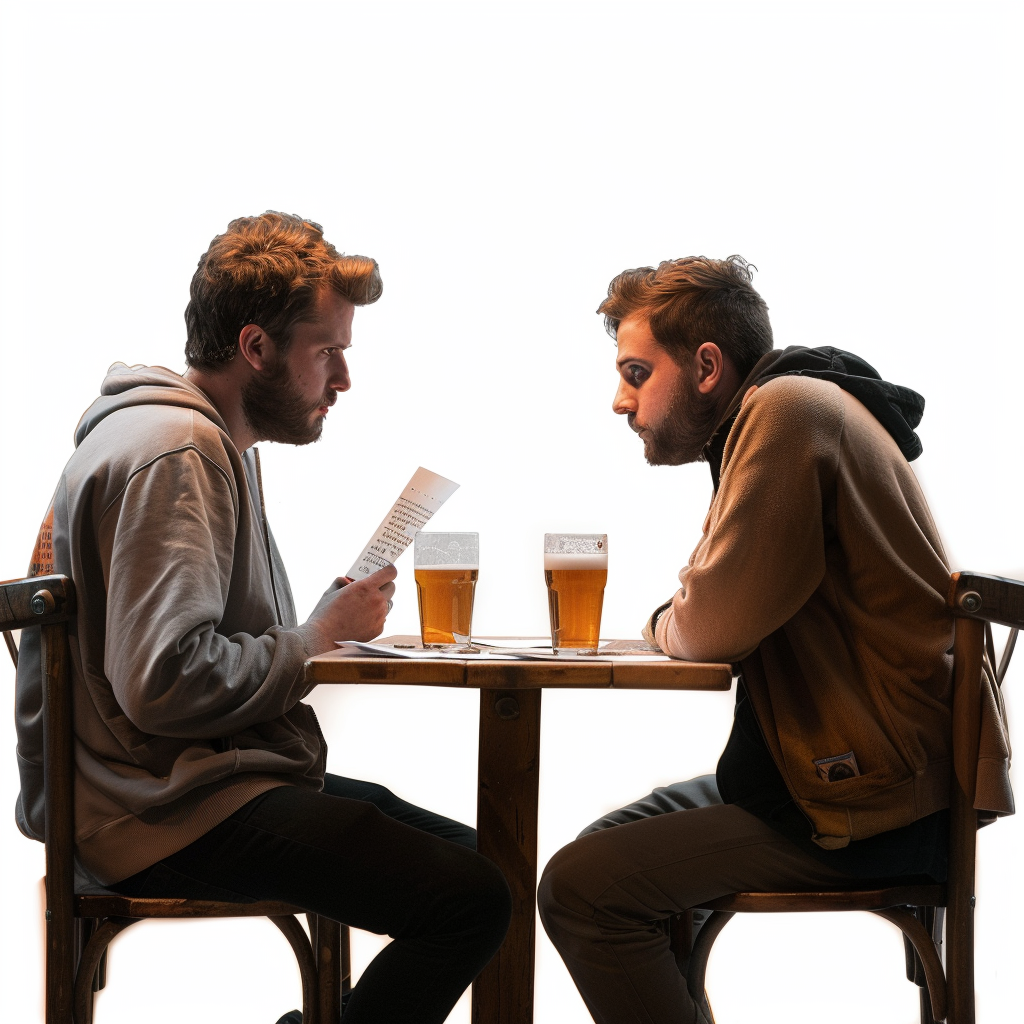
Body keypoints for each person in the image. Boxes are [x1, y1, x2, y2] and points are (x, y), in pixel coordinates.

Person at [14, 212, 511, 1024]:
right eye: (327, 352)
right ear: (255, 347)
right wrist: (316, 639)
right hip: (160, 813)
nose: (342, 378)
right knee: (473, 899)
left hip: (167, 789)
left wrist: (318, 626)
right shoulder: (177, 451)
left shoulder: (196, 440)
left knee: (479, 860)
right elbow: (163, 684)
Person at [537, 256, 1012, 1024]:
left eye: (635, 371)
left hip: (876, 803)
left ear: (707, 365)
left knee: (583, 887)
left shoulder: (786, 412)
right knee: (608, 850)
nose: (620, 401)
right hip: (844, 778)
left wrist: (664, 620)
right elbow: (719, 600)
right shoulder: (788, 408)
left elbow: (706, 625)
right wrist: (685, 609)